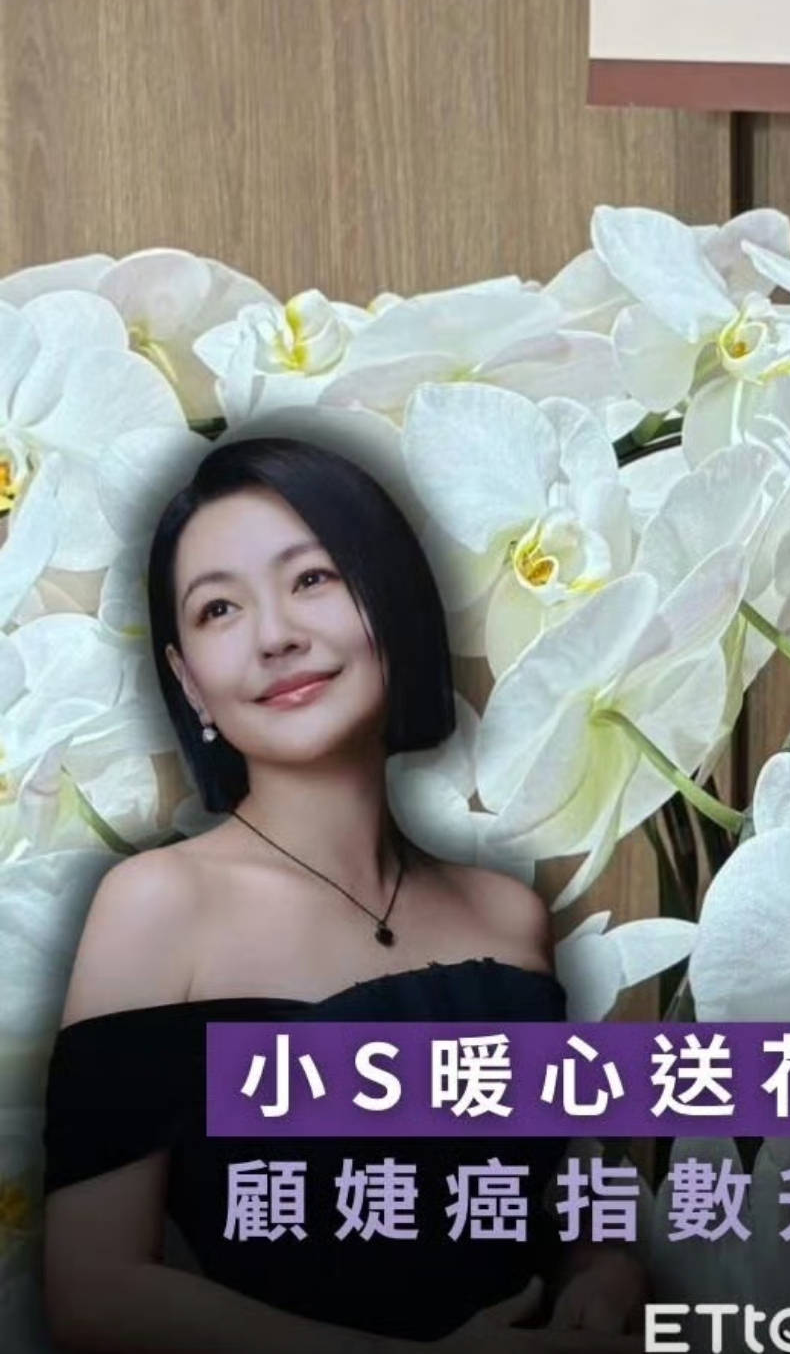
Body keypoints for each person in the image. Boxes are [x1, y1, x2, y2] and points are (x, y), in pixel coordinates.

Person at [39, 436, 647, 1353]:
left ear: (389, 598)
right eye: (218, 608)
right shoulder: (156, 906)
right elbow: (94, 1294)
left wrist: (605, 1274)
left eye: (312, 578)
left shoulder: (506, 916)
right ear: (188, 679)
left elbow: (560, 1206)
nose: (275, 634)